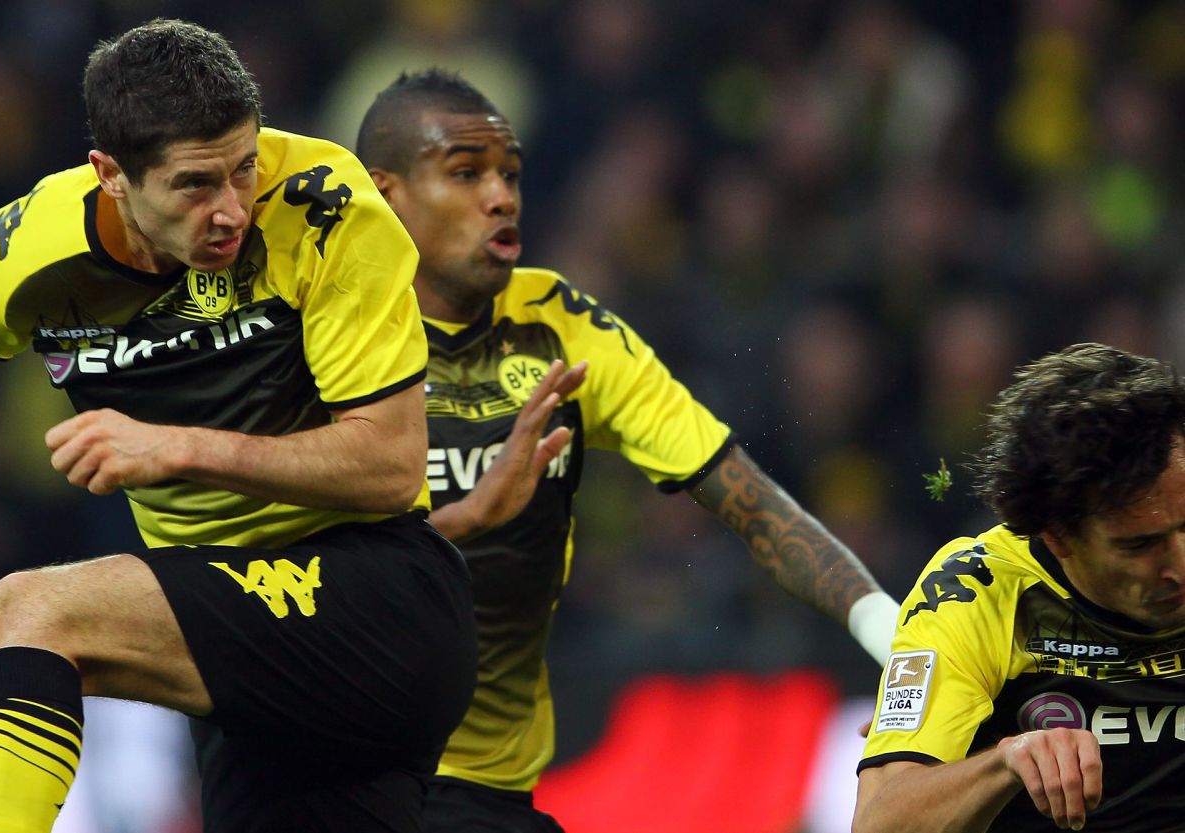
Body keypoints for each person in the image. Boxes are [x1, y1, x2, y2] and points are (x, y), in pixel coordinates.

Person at [0, 20, 478, 833]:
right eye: (193, 185)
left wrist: (178, 446)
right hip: (234, 654)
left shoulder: (325, 206)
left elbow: (391, 465)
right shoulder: (29, 251)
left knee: (33, 609)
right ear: (111, 173)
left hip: (376, 598)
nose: (232, 210)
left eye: (243, 168)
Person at [355, 69, 900, 832]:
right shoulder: (313, 338)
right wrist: (471, 515)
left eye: (510, 173)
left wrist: (892, 632)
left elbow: (751, 503)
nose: (501, 196)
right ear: (387, 196)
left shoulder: (563, 328)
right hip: (338, 769)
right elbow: (272, 577)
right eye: (466, 173)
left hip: (488, 790)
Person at [854, 342, 1185, 832]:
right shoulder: (974, 590)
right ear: (1058, 535)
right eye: (1138, 546)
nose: (1179, 566)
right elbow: (882, 824)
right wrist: (1003, 761)